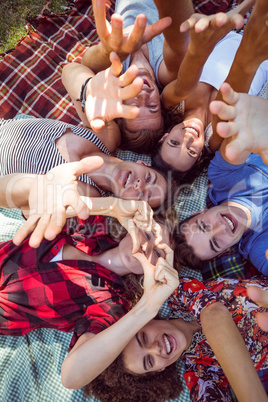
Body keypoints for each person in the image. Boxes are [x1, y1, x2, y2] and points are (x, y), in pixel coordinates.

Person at [61, 249, 268, 402]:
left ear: (146, 321)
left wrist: (147, 308)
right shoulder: (201, 373)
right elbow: (72, 378)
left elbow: (214, 313)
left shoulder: (177, 297)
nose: (156, 349)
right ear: (159, 371)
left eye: (143, 338)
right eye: (149, 361)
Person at [0, 54, 168, 210]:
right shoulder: (106, 137)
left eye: (142, 196)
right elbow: (69, 71)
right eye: (148, 178)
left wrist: (42, 186)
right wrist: (88, 90)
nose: (139, 185)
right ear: (143, 163)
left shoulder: (86, 196)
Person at [151, 0, 268, 183]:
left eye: (174, 142)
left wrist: (243, 7)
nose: (188, 138)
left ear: (163, 137)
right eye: (191, 151)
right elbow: (229, 94)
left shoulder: (170, 104)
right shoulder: (214, 139)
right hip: (259, 46)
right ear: (199, 157)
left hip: (227, 29)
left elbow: (189, 72)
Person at [175, 73, 268, 275]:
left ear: (198, 212)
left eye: (204, 225)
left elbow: (243, 138)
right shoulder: (260, 248)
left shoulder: (222, 178)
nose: (221, 228)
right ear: (222, 253)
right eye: (216, 243)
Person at [80, 0, 195, 153]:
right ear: (161, 104)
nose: (143, 95)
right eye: (152, 107)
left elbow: (87, 65)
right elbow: (180, 43)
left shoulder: (116, 71)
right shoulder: (164, 73)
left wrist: (106, 52)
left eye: (134, 106)